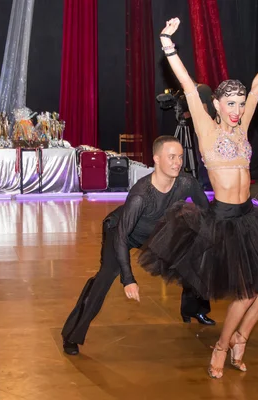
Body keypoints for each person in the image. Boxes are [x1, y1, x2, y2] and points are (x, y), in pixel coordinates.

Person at [139, 18, 258, 379]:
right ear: (217, 105)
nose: (237, 109)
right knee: (248, 290)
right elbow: (188, 86)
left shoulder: (243, 124)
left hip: (250, 217)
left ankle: (241, 337)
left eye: (239, 103)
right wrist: (167, 45)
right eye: (230, 103)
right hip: (222, 221)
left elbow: (257, 90)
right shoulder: (206, 127)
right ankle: (221, 346)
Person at [61, 135, 214, 356]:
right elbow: (122, 236)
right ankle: (72, 335)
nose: (177, 162)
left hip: (156, 232)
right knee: (104, 279)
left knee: (195, 261)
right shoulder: (141, 195)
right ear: (156, 159)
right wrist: (128, 279)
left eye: (180, 157)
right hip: (121, 231)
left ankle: (193, 309)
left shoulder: (186, 183)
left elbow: (206, 211)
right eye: (171, 157)